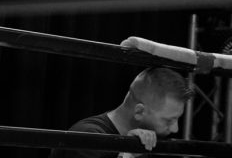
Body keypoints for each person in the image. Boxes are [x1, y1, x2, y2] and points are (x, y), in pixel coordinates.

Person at [50, 67, 191, 158]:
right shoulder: (88, 137)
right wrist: (127, 154)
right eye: (168, 120)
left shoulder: (145, 143)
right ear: (139, 111)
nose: (175, 129)